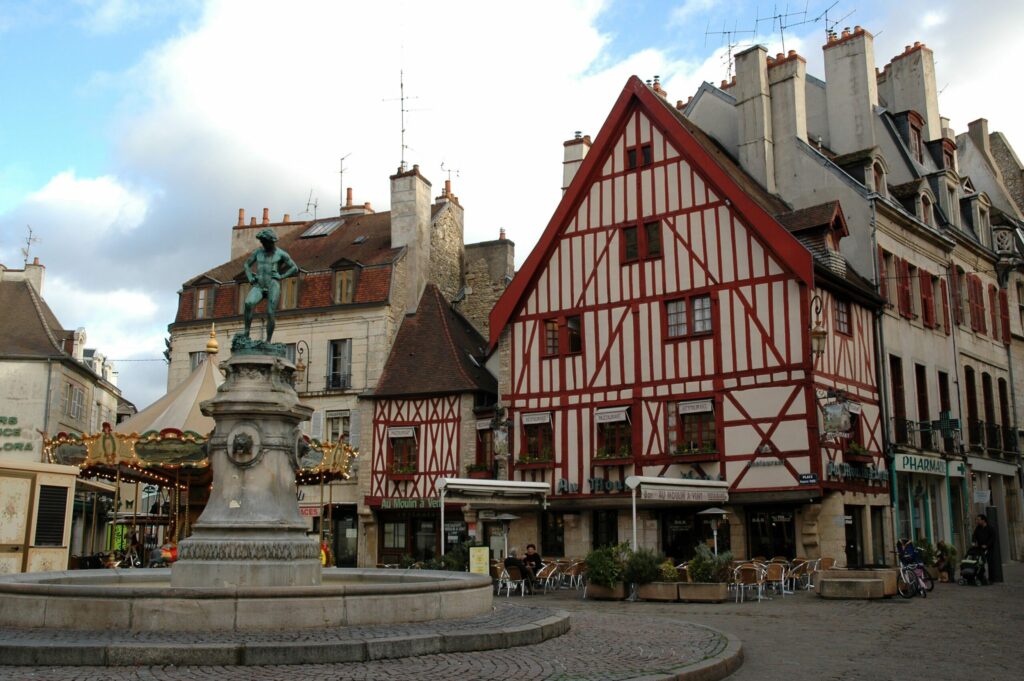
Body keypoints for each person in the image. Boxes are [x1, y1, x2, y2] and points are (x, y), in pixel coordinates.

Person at [242, 228, 299, 343]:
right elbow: (247, 265)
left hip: (273, 284)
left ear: (271, 241)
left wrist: (281, 276)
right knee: (248, 303)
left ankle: (268, 341)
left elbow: (294, 268)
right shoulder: (258, 252)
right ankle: (246, 332)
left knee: (270, 312)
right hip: (259, 284)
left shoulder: (281, 254)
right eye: (262, 242)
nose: (263, 244)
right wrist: (250, 277)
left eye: (264, 242)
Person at [971, 514, 996, 584]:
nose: (977, 521)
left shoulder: (990, 528)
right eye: (976, 520)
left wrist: (987, 545)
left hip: (989, 548)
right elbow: (974, 536)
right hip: (980, 548)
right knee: (980, 563)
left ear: (983, 520)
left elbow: (993, 538)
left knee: (991, 563)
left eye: (978, 520)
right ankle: (981, 577)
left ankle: (992, 579)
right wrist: (973, 542)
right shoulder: (978, 528)